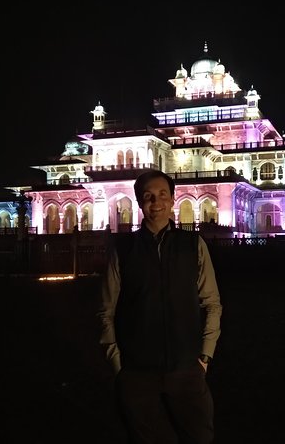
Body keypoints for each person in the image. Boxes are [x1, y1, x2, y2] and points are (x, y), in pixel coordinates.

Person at [98, 170, 223, 444]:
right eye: (148, 197)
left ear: (173, 199)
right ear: (139, 202)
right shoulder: (123, 249)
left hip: (187, 367)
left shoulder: (192, 245)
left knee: (199, 437)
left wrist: (204, 356)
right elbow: (106, 309)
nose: (156, 202)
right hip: (137, 371)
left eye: (162, 195)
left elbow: (212, 303)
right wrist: (118, 364)